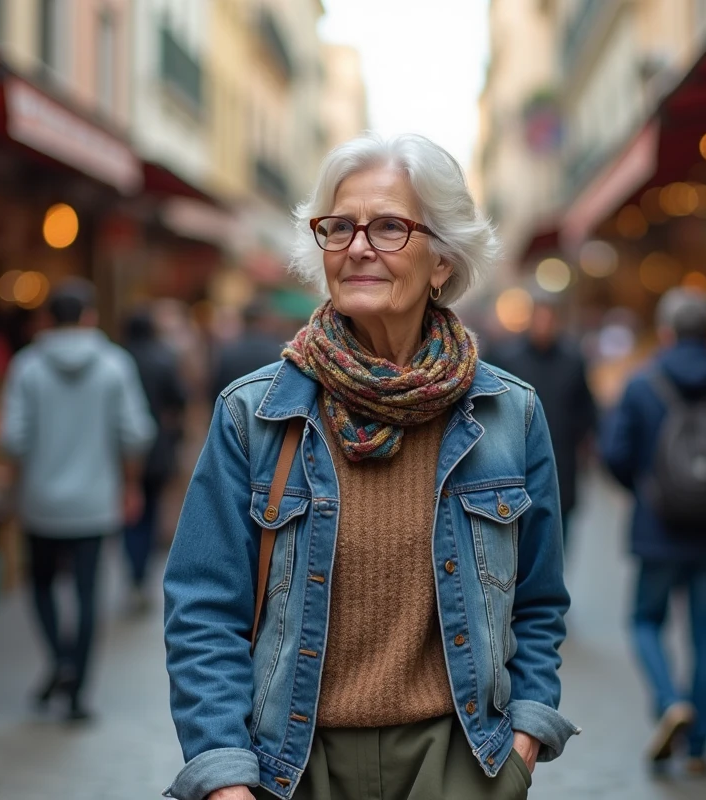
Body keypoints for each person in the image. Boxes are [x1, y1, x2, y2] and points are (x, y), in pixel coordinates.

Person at [164, 133, 577, 800]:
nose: (358, 246)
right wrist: (223, 778)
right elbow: (203, 608)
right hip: (292, 769)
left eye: (388, 227)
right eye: (340, 228)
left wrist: (523, 742)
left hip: (459, 763)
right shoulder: (257, 414)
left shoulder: (510, 415)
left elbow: (538, 601)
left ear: (442, 259)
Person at [599, 288, 706, 775]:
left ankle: (670, 700)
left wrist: (647, 491)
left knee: (644, 621)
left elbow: (613, 454)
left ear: (667, 332)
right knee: (704, 636)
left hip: (657, 531)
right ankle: (698, 750)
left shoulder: (640, 385)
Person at [0, 279, 155, 722]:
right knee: (89, 593)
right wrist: (129, 486)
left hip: (39, 502)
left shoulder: (26, 366)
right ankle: (79, 692)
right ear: (89, 316)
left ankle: (60, 659)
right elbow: (135, 434)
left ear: (48, 319)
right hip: (95, 501)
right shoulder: (113, 365)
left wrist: (14, 491)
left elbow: (12, 437)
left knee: (42, 585)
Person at [486, 294, 596, 550]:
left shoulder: (573, 360)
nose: (544, 324)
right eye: (540, 318)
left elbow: (586, 412)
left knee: (556, 545)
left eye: (550, 319)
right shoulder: (506, 357)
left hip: (561, 467)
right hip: (514, 467)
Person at [122, 309, 188, 612]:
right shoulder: (163, 358)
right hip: (158, 447)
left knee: (127, 512)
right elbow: (180, 398)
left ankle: (133, 570)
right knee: (149, 510)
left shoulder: (119, 359)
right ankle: (141, 572)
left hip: (122, 451)